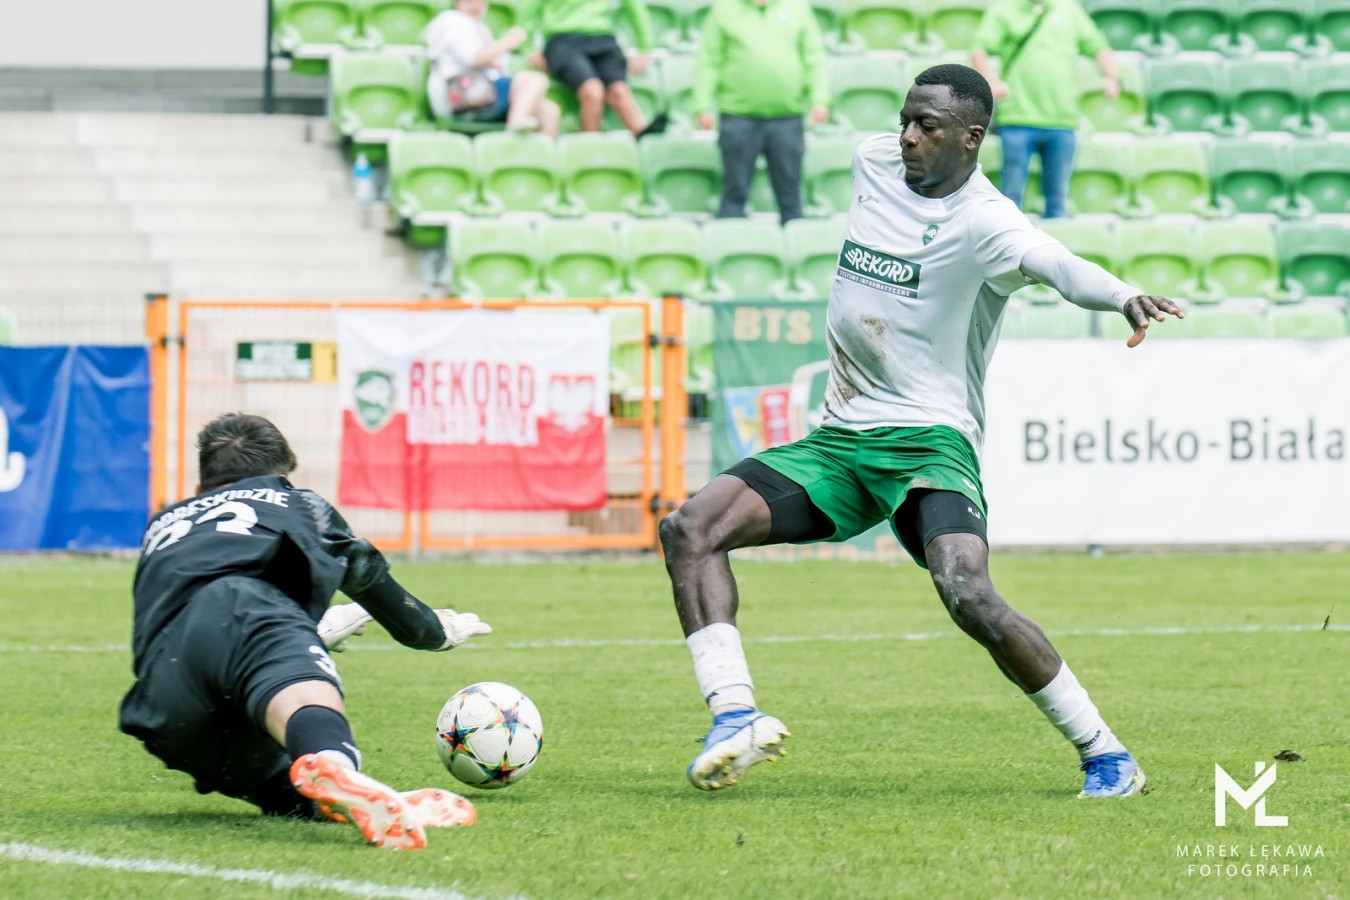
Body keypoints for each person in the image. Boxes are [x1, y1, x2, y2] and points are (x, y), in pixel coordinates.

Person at [659, 65, 1182, 798]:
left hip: (929, 442)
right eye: (904, 119)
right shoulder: (874, 161)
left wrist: (1124, 294)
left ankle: (1106, 754)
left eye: (927, 126)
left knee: (967, 591)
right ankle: (735, 717)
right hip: (839, 442)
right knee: (689, 528)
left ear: (971, 138)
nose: (906, 136)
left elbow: (1056, 265)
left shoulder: (986, 221)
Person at [119, 413, 493, 849]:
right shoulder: (299, 504)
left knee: (282, 786)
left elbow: (188, 625)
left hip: (162, 700)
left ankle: (343, 796)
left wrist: (305, 630)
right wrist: (435, 631)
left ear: (203, 486)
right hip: (243, 609)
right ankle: (337, 763)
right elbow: (381, 594)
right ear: (282, 476)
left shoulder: (161, 524)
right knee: (306, 709)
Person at [970, 0, 1119, 218]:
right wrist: (991, 79)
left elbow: (1098, 46)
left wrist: (1111, 77)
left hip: (1062, 119)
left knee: (1057, 201)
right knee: (1011, 199)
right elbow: (978, 48)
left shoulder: (1069, 10)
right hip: (1017, 117)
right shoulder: (1005, 10)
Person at [694, 0, 829, 222]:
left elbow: (813, 58)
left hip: (787, 117)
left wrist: (819, 100)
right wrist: (702, 104)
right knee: (734, 193)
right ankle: (729, 240)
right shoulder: (724, 10)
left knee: (790, 196)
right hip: (737, 116)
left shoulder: (798, 8)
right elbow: (710, 59)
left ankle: (793, 240)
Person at [519, 0, 668, 136]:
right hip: (563, 41)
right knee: (592, 91)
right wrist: (528, 49)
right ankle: (591, 147)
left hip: (603, 39)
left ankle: (643, 136)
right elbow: (529, 9)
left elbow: (634, 7)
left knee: (619, 91)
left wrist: (645, 48)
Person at [426, 0, 561, 136]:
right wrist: (509, 41)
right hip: (461, 98)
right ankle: (513, 131)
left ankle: (537, 148)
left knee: (550, 111)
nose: (476, 5)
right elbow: (475, 59)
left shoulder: (481, 28)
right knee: (535, 80)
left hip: (487, 93)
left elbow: (497, 65)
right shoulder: (451, 20)